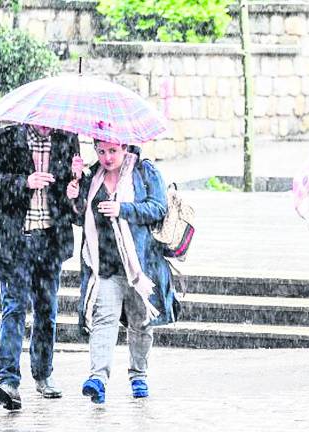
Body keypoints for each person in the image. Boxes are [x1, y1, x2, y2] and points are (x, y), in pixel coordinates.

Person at [67, 139, 178, 404]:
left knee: (140, 322)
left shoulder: (144, 171)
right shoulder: (92, 176)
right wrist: (73, 196)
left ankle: (138, 374)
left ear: (124, 148)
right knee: (103, 319)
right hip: (105, 265)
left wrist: (123, 210)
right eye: (101, 151)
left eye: (113, 151)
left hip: (140, 265)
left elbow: (158, 208)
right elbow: (80, 218)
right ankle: (98, 379)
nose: (107, 157)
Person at [0, 123, 80, 411]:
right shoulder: (4, 138)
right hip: (14, 239)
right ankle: (8, 382)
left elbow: (73, 202)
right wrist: (24, 181)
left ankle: (43, 374)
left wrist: (76, 183)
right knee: (14, 307)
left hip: (50, 240)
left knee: (47, 310)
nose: (46, 122)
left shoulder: (67, 139)